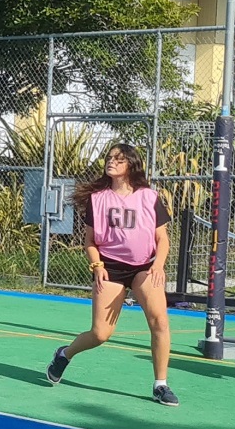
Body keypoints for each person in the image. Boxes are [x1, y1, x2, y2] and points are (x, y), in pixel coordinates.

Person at [45, 143, 179, 407]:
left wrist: (158, 264)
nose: (112, 162)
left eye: (119, 159)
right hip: (110, 268)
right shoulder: (98, 199)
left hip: (144, 266)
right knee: (100, 333)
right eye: (109, 158)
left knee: (160, 322)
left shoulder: (149, 197)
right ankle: (64, 354)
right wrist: (97, 265)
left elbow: (162, 239)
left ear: (130, 164)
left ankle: (160, 385)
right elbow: (90, 241)